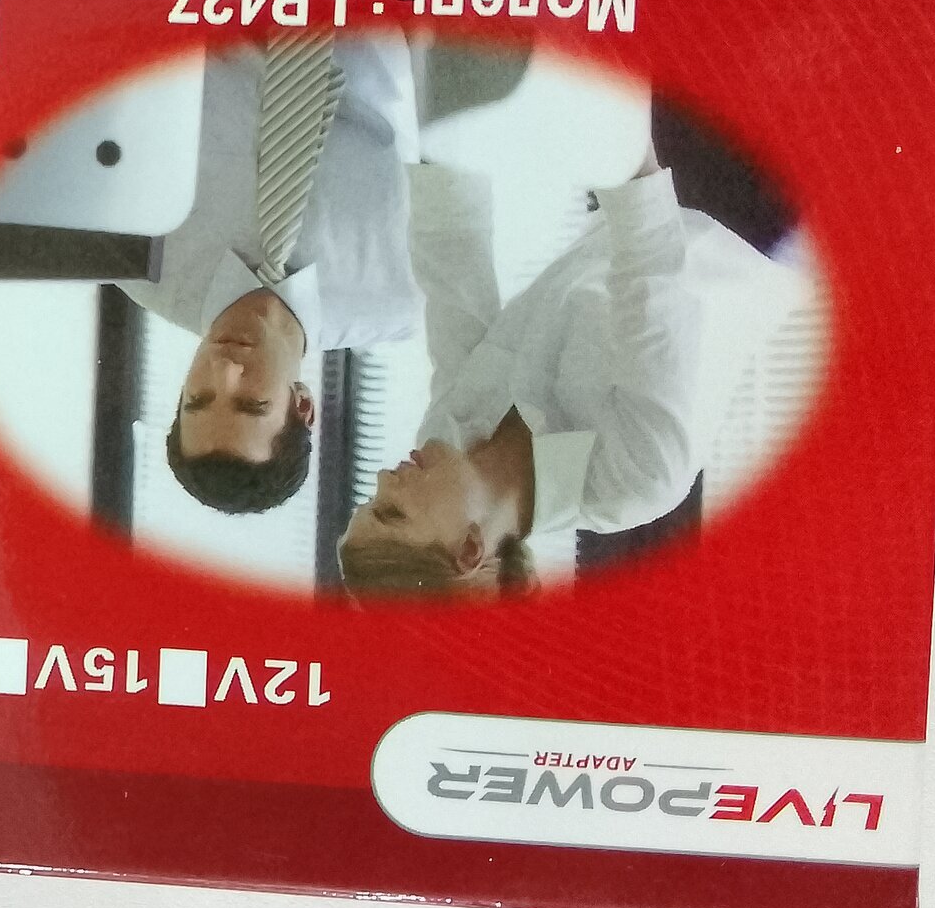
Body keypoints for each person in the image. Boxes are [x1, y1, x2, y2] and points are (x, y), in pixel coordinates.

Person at [338, 138, 796, 597]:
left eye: (371, 500)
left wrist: (442, 130)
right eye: (392, 512)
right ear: (469, 549)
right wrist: (615, 134)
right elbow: (651, 266)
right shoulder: (632, 479)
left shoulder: (445, 434)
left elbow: (453, 262)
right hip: (750, 218)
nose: (382, 480)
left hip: (652, 186)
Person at [123, 30, 424, 515]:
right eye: (251, 403)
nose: (225, 370)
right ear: (302, 406)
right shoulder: (403, 295)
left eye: (198, 397)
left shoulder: (140, 264)